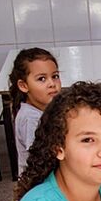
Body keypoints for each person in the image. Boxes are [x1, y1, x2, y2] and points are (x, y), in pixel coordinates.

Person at [8, 47, 61, 175]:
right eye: (42, 79)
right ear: (23, 86)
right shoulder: (31, 119)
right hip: (38, 183)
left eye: (55, 76)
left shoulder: (46, 109)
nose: (52, 84)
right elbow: (40, 158)